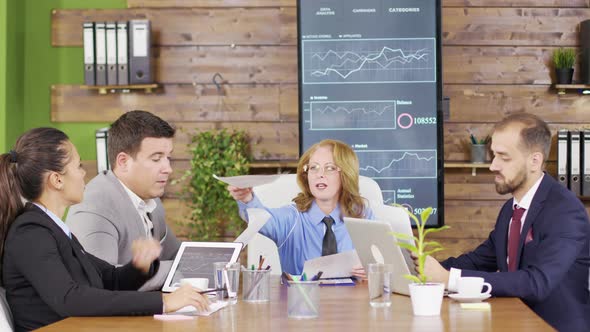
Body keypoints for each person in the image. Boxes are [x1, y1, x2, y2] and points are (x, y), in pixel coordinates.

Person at [0, 127, 209, 331]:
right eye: (79, 166)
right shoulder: (30, 233)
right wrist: (164, 301)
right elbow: (70, 299)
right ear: (57, 180)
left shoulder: (53, 229)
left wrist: (140, 266)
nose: (84, 174)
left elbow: (108, 279)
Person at [419, 113, 590, 331]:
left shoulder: (565, 212)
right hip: (515, 321)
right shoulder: (511, 209)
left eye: (504, 157)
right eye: (493, 155)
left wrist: (450, 279)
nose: (493, 166)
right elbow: (478, 260)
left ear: (534, 161)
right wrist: (422, 273)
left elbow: (536, 283)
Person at [67, 110, 180, 290]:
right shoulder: (94, 206)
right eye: (156, 159)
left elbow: (177, 255)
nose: (168, 169)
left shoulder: (152, 202)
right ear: (123, 162)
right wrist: (175, 271)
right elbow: (100, 284)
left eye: (168, 158)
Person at [228, 139, 374, 276]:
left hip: (352, 301)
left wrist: (372, 270)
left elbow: (383, 263)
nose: (319, 174)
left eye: (329, 168)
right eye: (313, 168)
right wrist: (246, 198)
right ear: (306, 175)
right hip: (299, 300)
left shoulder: (363, 216)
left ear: (346, 174)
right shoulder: (291, 219)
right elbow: (262, 219)